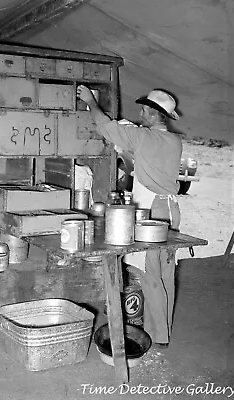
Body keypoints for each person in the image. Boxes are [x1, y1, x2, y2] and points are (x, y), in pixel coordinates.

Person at [76, 85, 182, 347]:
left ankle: (157, 336)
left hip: (154, 213)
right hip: (169, 210)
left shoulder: (144, 137)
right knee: (164, 272)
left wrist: (91, 101)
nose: (141, 114)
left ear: (151, 112)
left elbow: (106, 127)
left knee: (150, 274)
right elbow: (144, 159)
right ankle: (161, 329)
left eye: (144, 110)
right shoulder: (172, 140)